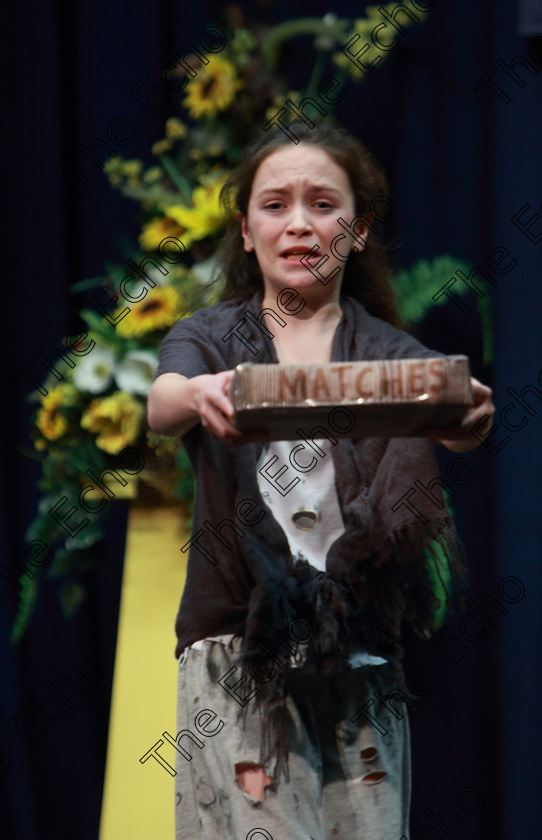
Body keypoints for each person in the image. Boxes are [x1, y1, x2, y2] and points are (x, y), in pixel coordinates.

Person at [148, 120, 494, 840]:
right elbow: (163, 404)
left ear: (358, 230)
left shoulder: (388, 353)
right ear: (246, 231)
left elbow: (460, 423)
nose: (300, 224)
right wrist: (202, 393)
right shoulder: (210, 337)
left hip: (358, 650)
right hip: (243, 650)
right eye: (275, 205)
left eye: (324, 205)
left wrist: (470, 418)